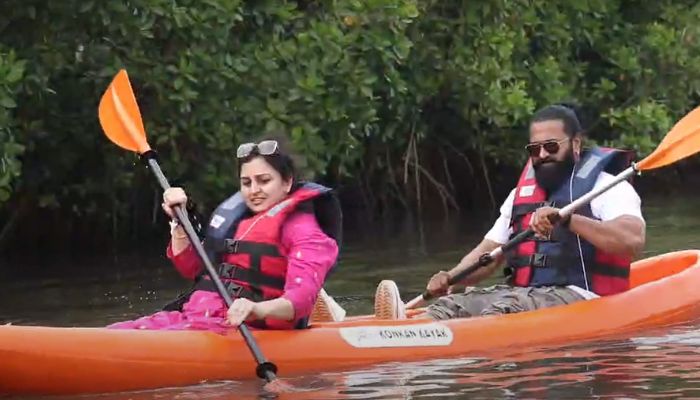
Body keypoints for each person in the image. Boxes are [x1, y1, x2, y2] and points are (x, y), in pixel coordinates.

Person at [373, 104, 646, 320]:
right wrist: (451, 277)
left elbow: (632, 242)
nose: (541, 155)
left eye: (551, 146)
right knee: (449, 307)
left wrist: (569, 219)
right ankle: (405, 330)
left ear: (575, 144)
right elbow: (488, 255)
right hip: (522, 295)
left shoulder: (605, 188)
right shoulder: (519, 196)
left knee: (502, 310)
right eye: (534, 149)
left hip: (580, 297)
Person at [108, 138, 342, 332]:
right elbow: (192, 268)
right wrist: (179, 220)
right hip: (195, 317)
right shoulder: (239, 221)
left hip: (244, 329)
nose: (254, 191)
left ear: (287, 182)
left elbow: (299, 302)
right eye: (246, 182)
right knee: (116, 332)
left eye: (264, 181)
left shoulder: (307, 232)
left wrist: (255, 309)